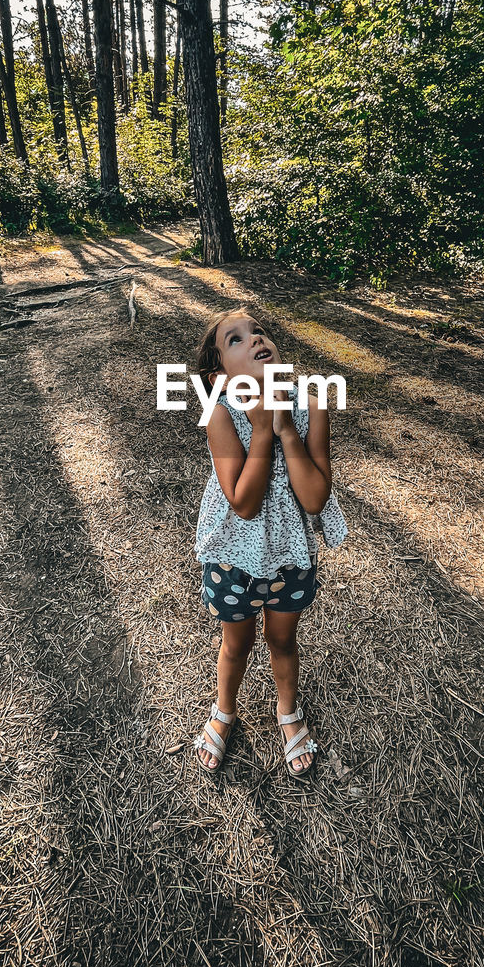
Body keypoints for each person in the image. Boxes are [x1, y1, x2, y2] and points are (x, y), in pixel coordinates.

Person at [192, 308, 348, 779]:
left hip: (289, 560)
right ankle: (224, 710)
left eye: (258, 331)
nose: (256, 338)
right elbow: (242, 502)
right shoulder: (221, 414)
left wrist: (283, 429)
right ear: (220, 377)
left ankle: (287, 711)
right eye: (235, 339)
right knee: (235, 644)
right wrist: (261, 428)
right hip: (232, 561)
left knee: (283, 640)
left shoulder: (310, 406)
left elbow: (316, 496)